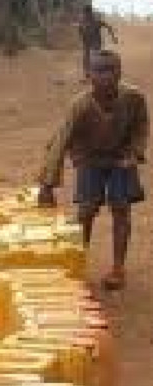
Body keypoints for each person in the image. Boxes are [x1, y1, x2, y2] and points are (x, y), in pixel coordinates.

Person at [38, 50, 148, 291]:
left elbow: (141, 126)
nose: (106, 76)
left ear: (120, 72)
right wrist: (47, 184)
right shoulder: (80, 105)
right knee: (86, 211)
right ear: (88, 75)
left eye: (111, 69)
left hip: (121, 159)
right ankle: (78, 262)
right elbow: (60, 141)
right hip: (90, 159)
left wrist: (135, 153)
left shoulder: (134, 98)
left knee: (121, 210)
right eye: (99, 70)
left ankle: (118, 268)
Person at [79, 5, 117, 80]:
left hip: (96, 43)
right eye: (85, 14)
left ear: (90, 13)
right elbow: (80, 31)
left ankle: (97, 74)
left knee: (95, 58)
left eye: (87, 13)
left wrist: (113, 37)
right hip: (87, 43)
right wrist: (82, 37)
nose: (86, 15)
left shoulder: (96, 21)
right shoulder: (83, 22)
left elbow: (108, 26)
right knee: (86, 57)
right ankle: (87, 73)